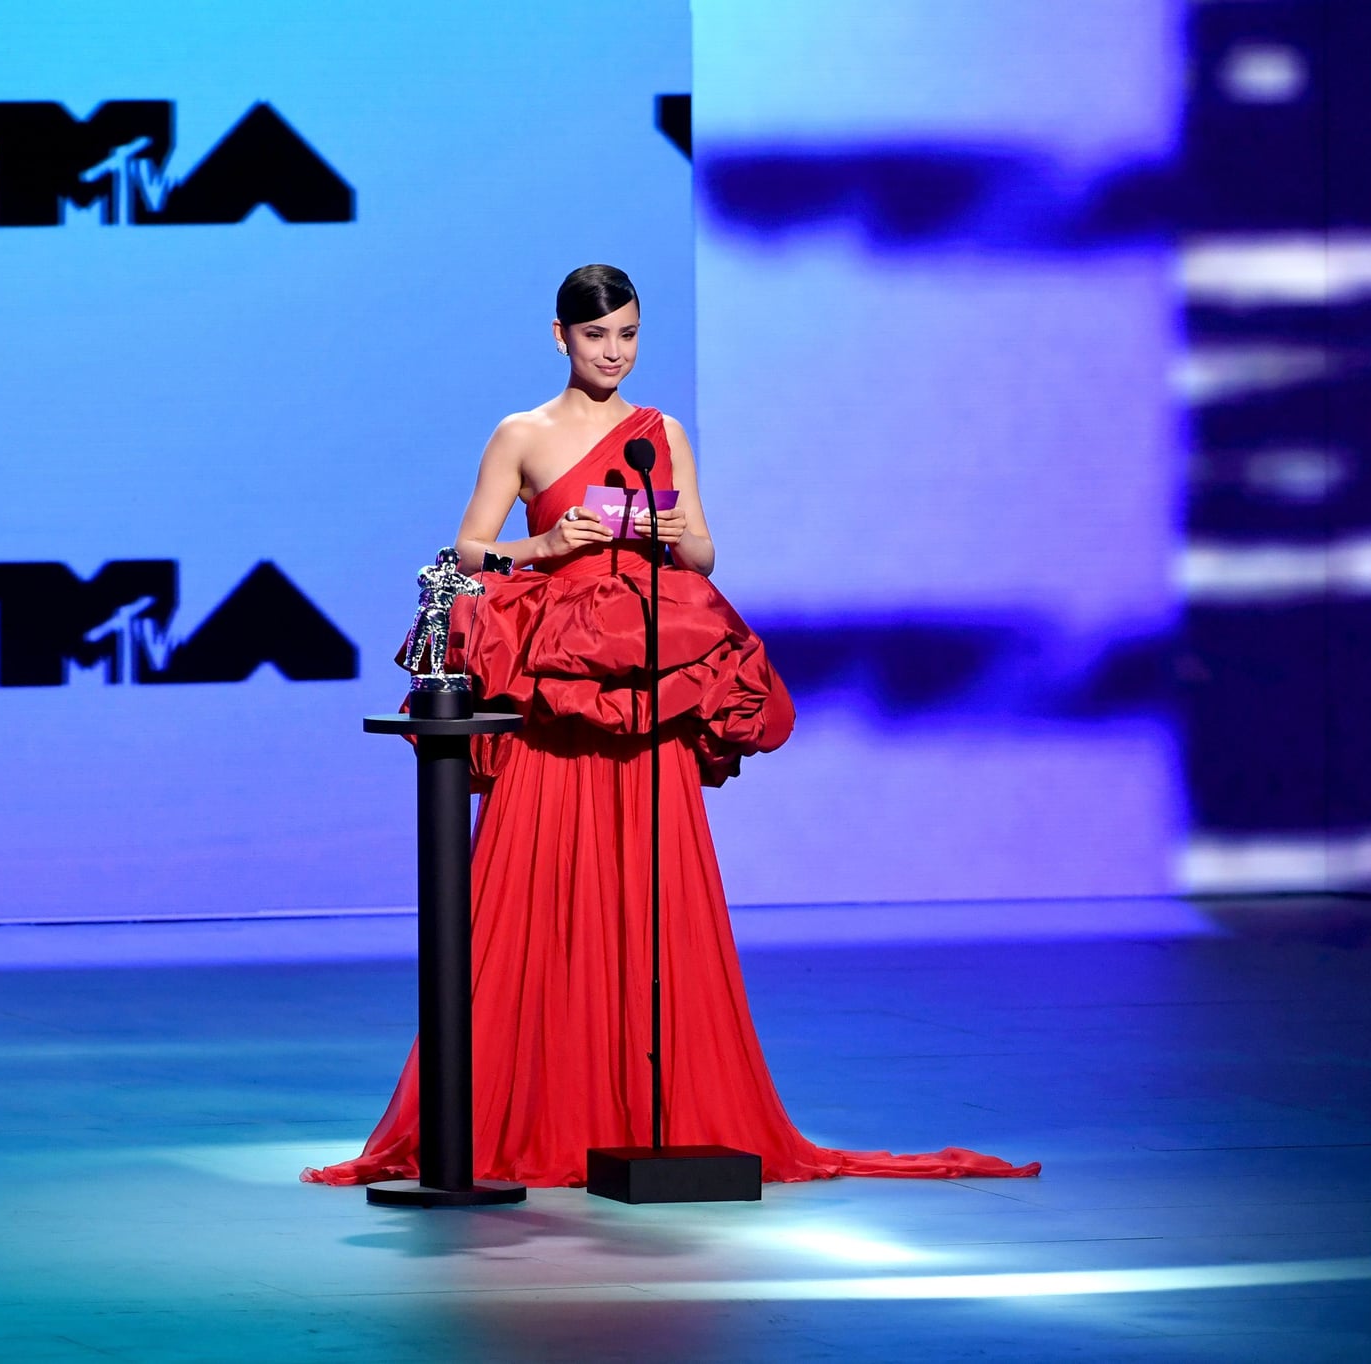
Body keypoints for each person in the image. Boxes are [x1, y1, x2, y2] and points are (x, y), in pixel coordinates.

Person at [302, 265, 1038, 1187]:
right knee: (531, 885)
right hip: (562, 681)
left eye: (630, 336)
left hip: (645, 675)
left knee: (651, 892)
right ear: (560, 337)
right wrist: (545, 546)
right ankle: (527, 1110)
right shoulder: (521, 434)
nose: (614, 353)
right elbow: (467, 548)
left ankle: (655, 1108)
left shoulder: (662, 435)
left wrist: (664, 533)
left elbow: (703, 548)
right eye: (597, 336)